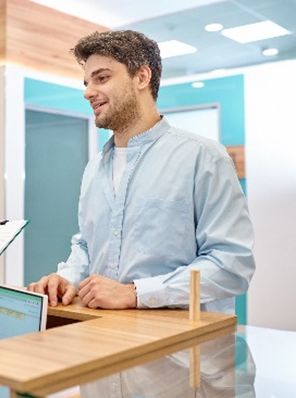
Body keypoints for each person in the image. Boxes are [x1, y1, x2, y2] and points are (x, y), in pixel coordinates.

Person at [28, 30, 255, 314]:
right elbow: (86, 245)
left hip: (183, 351)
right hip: (108, 338)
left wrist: (136, 293)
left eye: (102, 78)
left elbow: (232, 265)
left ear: (142, 77)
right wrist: (67, 277)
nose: (88, 92)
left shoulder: (204, 158)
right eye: (87, 82)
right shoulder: (94, 168)